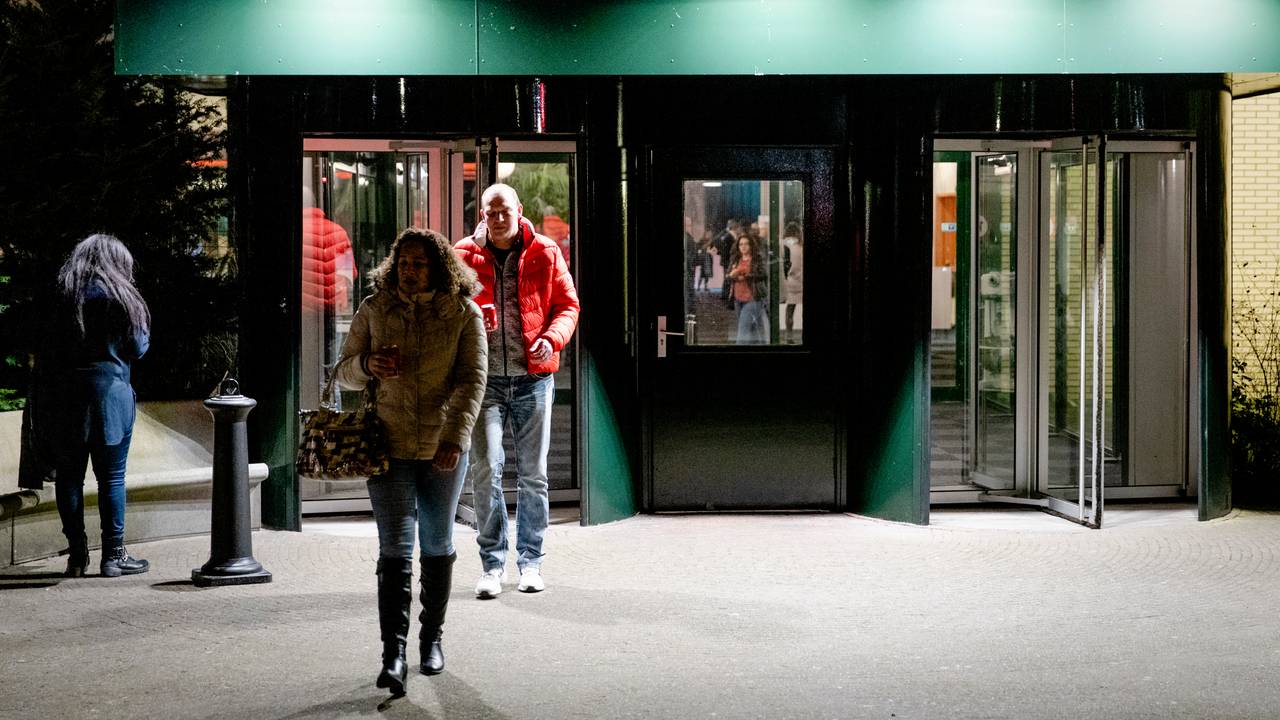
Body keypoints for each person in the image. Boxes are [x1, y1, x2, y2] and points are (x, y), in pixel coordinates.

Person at [334, 228, 487, 695]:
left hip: (441, 447)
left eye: (420, 263)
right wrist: (366, 368)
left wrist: (456, 437)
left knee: (437, 542)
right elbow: (343, 371)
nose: (410, 271)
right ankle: (393, 653)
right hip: (388, 446)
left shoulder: (463, 313)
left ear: (438, 266)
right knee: (394, 549)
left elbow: (472, 380)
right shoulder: (375, 308)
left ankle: (431, 640)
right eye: (404, 262)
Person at [454, 183, 580, 599]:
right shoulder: (462, 255)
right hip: (483, 381)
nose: (499, 219)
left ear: (519, 210)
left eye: (505, 211)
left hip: (533, 378)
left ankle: (531, 562)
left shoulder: (545, 250)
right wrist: (470, 322)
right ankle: (492, 565)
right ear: (482, 215)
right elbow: (447, 309)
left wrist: (553, 337)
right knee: (486, 470)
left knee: (534, 476)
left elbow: (568, 305)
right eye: (491, 213)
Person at [40, 234, 151, 578]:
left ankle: (76, 556)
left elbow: (46, 348)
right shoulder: (122, 300)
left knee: (70, 479)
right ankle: (113, 556)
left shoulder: (63, 296)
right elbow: (139, 347)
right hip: (112, 398)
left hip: (66, 397)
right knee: (112, 478)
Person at [727, 233, 769, 344]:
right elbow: (728, 275)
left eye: (746, 244)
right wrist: (732, 275)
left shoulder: (757, 258)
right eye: (741, 244)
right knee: (752, 331)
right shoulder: (736, 259)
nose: (743, 247)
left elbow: (763, 274)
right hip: (738, 299)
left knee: (742, 333)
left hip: (752, 299)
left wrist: (745, 275)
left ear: (751, 245)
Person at [781, 221, 804, 344]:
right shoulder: (801, 245)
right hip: (802, 281)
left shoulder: (784, 244)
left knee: (790, 310)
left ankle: (789, 336)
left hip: (789, 282)